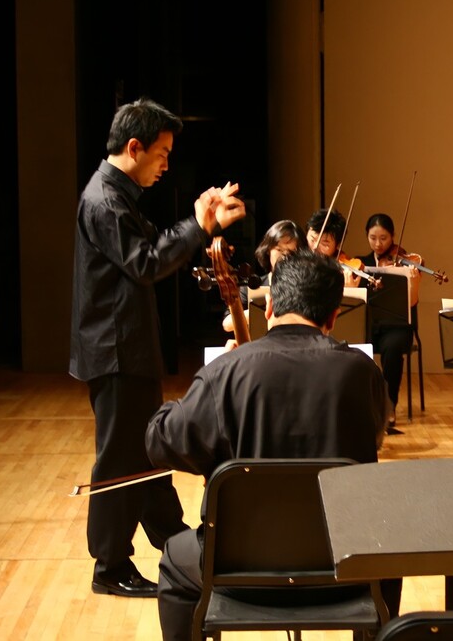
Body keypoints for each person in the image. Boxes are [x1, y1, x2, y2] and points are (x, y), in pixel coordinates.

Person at [146, 249, 401, 640]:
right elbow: (375, 434)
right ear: (332, 317)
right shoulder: (363, 371)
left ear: (268, 308)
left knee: (173, 564)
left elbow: (161, 442)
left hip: (236, 567)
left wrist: (208, 382)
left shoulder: (226, 371)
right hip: (346, 567)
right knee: (389, 558)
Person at [69, 97, 246, 598]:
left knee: (145, 450)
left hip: (126, 346)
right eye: (162, 152)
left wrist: (197, 218)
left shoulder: (117, 197)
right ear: (134, 147)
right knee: (119, 460)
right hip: (115, 348)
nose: (167, 163)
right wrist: (200, 225)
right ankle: (109, 566)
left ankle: (173, 542)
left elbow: (154, 250)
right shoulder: (104, 201)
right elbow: (146, 262)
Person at [358, 213, 422, 430]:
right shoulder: (360, 264)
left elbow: (411, 302)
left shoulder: (405, 264)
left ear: (393, 236)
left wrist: (412, 281)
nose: (378, 243)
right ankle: (359, 405)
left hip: (396, 326)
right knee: (351, 344)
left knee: (393, 349)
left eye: (384, 238)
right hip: (368, 324)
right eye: (373, 237)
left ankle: (388, 405)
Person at [221, 219, 307, 336]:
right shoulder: (252, 286)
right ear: (268, 251)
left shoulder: (306, 286)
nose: (285, 257)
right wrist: (268, 308)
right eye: (279, 250)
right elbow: (227, 324)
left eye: (291, 252)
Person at [306, 208, 362, 287]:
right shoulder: (295, 261)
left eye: (325, 244)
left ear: (338, 244)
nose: (315, 247)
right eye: (313, 239)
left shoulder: (342, 272)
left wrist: (350, 292)